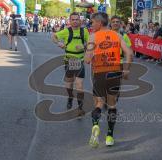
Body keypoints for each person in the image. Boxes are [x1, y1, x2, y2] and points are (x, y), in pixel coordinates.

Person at [85, 12, 133, 147]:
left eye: (93, 22)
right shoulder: (117, 35)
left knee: (99, 103)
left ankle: (95, 125)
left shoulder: (93, 37)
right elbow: (129, 53)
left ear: (99, 23)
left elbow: (87, 60)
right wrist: (127, 69)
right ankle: (110, 136)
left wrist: (90, 53)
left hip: (99, 72)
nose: (91, 24)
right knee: (112, 104)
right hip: (115, 72)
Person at [52, 12, 89, 116]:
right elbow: (54, 36)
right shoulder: (66, 31)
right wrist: (58, 43)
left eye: (77, 19)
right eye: (73, 19)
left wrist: (84, 47)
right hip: (69, 61)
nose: (75, 21)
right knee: (69, 85)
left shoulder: (84, 31)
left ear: (80, 20)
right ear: (70, 21)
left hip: (80, 61)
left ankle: (80, 108)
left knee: (79, 85)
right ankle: (70, 97)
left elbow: (91, 43)